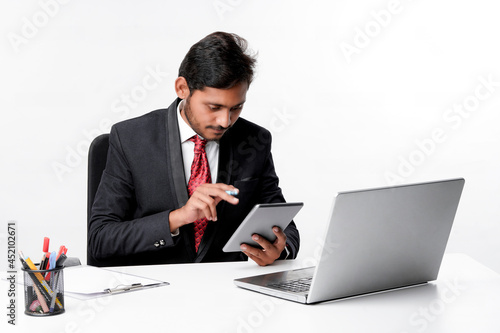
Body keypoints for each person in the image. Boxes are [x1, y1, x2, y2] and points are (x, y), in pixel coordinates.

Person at [88, 31, 300, 267]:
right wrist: (178, 217)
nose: (225, 121)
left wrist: (279, 250)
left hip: (229, 289)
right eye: (214, 107)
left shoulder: (255, 140)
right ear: (182, 88)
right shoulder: (130, 139)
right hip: (154, 290)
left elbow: (285, 226)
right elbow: (100, 240)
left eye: (236, 108)